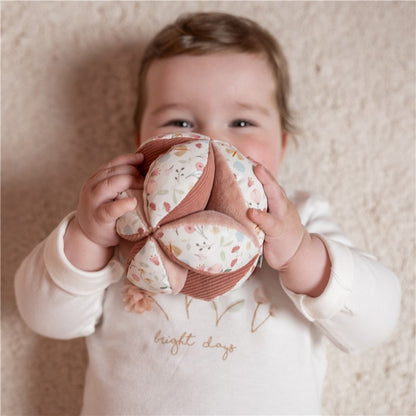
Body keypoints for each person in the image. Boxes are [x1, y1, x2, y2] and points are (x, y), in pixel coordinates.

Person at [15, 12, 401, 415]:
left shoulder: (298, 216)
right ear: (142, 142)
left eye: (242, 121)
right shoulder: (120, 215)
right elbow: (45, 318)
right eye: (180, 122)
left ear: (282, 146)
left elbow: (376, 321)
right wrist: (88, 238)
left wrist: (301, 254)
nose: (210, 142)